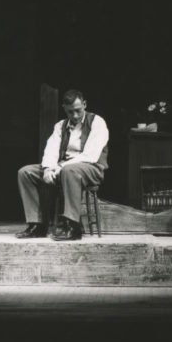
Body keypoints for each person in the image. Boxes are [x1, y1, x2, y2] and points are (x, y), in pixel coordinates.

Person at [16, 89, 109, 241]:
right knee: (25, 172)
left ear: (84, 104)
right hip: (63, 168)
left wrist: (60, 168)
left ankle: (73, 226)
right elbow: (51, 149)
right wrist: (48, 169)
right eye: (70, 112)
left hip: (91, 168)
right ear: (64, 109)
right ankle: (37, 225)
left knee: (69, 170)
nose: (75, 116)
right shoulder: (60, 125)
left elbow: (90, 155)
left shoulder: (97, 122)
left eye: (78, 110)